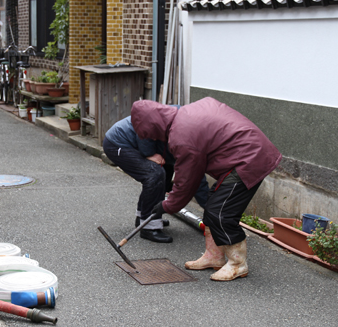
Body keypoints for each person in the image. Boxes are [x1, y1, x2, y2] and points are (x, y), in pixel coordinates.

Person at [131, 97, 282, 281]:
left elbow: (187, 180)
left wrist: (167, 205)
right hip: (243, 154)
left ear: (154, 126)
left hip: (249, 158)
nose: (154, 139)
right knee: (212, 204)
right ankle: (214, 256)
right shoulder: (185, 114)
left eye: (151, 135)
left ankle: (237, 264)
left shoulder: (182, 136)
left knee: (221, 212)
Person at [103, 114, 209, 244]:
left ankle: (144, 218)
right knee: (155, 174)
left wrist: (210, 209)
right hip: (119, 142)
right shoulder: (183, 132)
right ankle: (149, 226)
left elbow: (196, 177)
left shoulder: (192, 137)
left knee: (165, 172)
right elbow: (146, 123)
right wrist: (148, 153)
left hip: (138, 141)